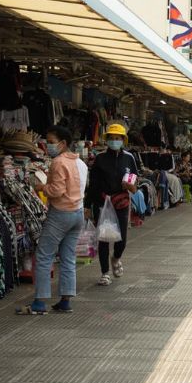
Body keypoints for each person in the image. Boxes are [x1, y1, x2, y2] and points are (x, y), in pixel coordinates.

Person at [30, 125, 84, 314]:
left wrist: (41, 188)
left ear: (63, 143)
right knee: (68, 258)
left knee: (44, 256)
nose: (48, 146)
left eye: (51, 142)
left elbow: (57, 190)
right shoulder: (77, 161)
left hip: (61, 213)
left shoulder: (59, 162)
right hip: (77, 213)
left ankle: (39, 302)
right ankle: (65, 300)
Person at [85, 123, 138, 286]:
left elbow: (135, 185)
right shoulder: (100, 159)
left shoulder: (129, 158)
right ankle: (104, 272)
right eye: (111, 138)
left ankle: (116, 258)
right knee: (103, 238)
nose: (114, 141)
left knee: (121, 239)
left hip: (121, 202)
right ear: (107, 140)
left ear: (123, 140)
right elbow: (92, 185)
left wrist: (129, 187)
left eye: (118, 138)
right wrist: (87, 205)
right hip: (103, 202)